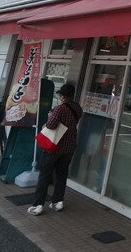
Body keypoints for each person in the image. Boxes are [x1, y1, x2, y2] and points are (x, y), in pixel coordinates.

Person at [28, 83, 83, 215]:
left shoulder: (60, 109)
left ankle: (38, 205)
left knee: (44, 175)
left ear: (63, 96)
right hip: (69, 147)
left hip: (54, 147)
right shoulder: (78, 108)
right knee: (61, 175)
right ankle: (58, 202)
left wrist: (50, 116)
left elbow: (51, 125)